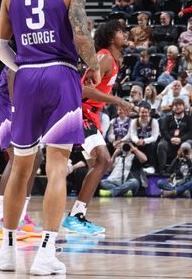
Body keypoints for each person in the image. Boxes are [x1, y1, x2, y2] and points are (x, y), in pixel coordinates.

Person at [0, 0, 100, 275]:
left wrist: (21, 67)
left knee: (21, 168)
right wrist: (93, 66)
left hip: (25, 79)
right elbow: (82, 36)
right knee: (56, 167)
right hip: (60, 76)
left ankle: (7, 253)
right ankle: (45, 254)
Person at [63, 20, 133, 235]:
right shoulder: (104, 57)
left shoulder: (113, 59)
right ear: (112, 37)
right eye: (121, 32)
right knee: (103, 160)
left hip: (90, 113)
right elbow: (83, 89)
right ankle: (75, 216)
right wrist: (118, 101)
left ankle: (77, 213)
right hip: (81, 111)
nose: (126, 34)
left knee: (97, 163)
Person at [0, 68, 43, 241]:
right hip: (6, 98)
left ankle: (20, 215)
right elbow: (12, 73)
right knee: (16, 155)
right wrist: (15, 105)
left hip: (23, 100)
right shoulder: (30, 46)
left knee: (36, 155)